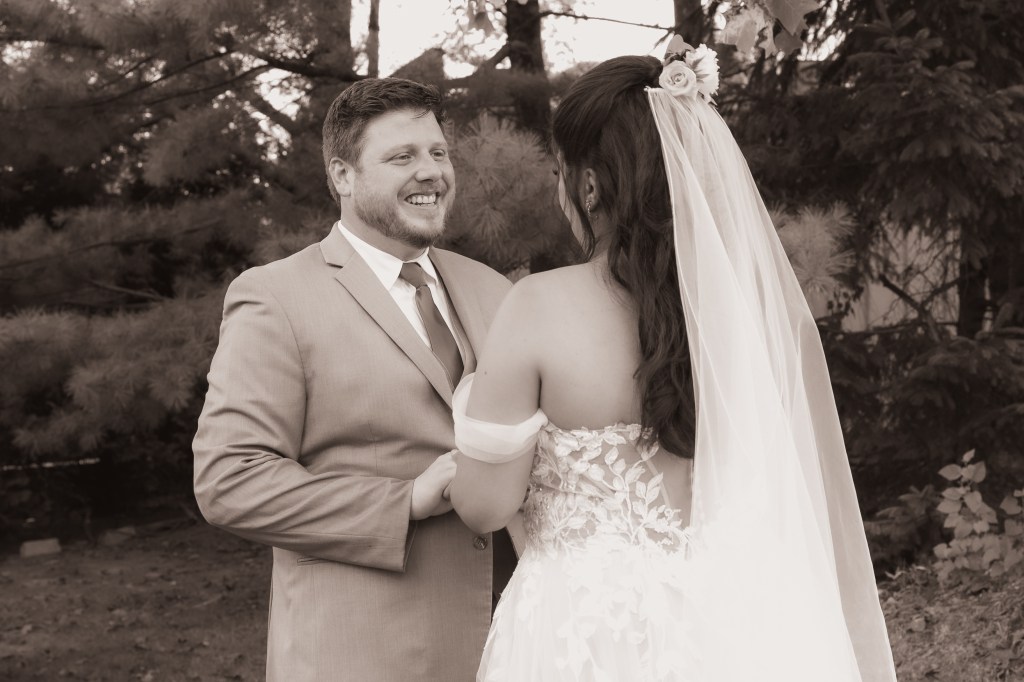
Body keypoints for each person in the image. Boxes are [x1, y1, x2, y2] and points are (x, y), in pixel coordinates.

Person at [449, 49, 899, 681]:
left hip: (585, 631)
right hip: (732, 620)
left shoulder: (538, 305)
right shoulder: (744, 317)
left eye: (559, 172)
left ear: (588, 185)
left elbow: (486, 506)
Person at [193, 77, 518, 682]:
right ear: (342, 176)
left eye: (438, 152)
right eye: (402, 157)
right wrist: (403, 502)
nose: (431, 172)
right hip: (360, 651)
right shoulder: (274, 297)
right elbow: (229, 480)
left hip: (508, 642)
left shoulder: (491, 286)